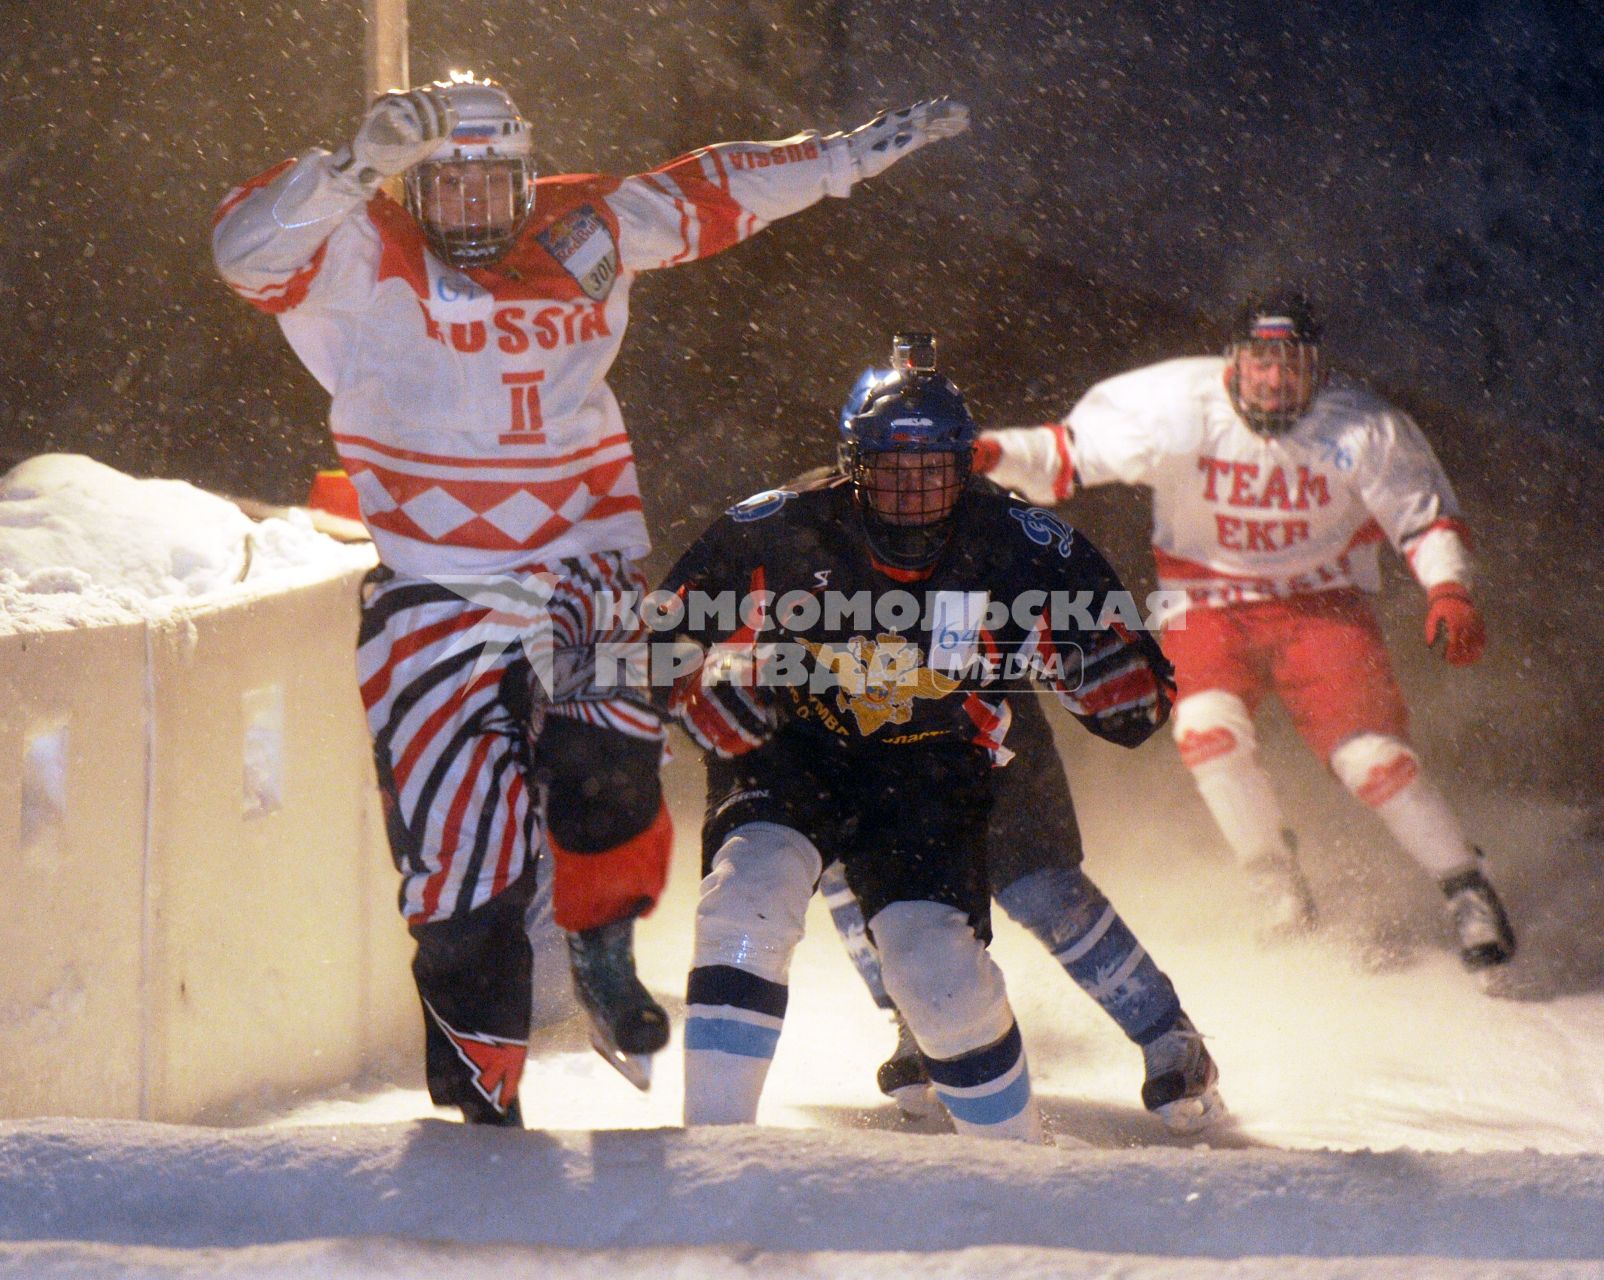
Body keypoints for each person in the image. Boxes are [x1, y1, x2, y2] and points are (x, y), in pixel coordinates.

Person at [211, 72, 970, 1124]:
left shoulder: (582, 225)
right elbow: (242, 249)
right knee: (458, 857)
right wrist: (349, 169)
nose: (474, 209)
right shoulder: (358, 243)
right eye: (448, 188)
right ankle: (482, 1081)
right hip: (434, 584)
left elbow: (711, 190)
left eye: (494, 185)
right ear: (412, 188)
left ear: (526, 177)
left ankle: (604, 946)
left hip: (581, 563)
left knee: (609, 750)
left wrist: (838, 160)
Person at [653, 341, 1218, 1141]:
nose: (913, 493)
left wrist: (1117, 683)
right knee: (751, 892)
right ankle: (711, 1151)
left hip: (941, 755)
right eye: (891, 467)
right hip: (798, 743)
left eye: (934, 469)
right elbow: (652, 639)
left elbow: (1136, 691)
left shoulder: (1022, 542)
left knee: (974, 937)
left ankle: (1056, 1120)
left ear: (967, 466)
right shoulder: (780, 525)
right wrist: (693, 682)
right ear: (850, 464)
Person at [976, 292, 1516, 971]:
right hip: (1207, 599)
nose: (1275, 377)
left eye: (1292, 362)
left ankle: (1465, 880)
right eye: (1261, 359)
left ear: (1317, 366)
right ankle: (1272, 876)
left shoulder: (1362, 427)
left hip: (1322, 605)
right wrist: (991, 451)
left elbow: (1426, 518)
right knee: (1205, 731)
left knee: (1373, 761)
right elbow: (1065, 455)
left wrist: (1449, 587)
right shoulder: (1179, 404)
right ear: (1234, 359)